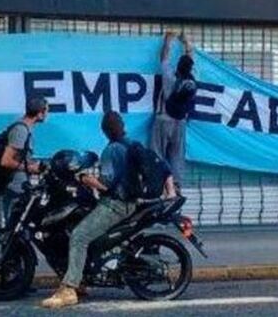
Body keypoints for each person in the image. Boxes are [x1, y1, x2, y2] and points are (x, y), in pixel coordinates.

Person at [42, 111, 176, 309]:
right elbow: (163, 166)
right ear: (123, 126)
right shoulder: (133, 144)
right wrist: (170, 192)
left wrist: (85, 179)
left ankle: (69, 289)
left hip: (115, 205)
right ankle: (81, 278)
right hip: (131, 204)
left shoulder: (111, 150)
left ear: (104, 131)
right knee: (87, 230)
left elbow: (106, 185)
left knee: (79, 236)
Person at [150, 31, 196, 189]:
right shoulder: (192, 81)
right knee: (177, 157)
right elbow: (190, 61)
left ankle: (157, 185)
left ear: (178, 66)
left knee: (157, 153)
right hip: (180, 122)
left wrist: (168, 39)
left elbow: (164, 59)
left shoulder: (169, 77)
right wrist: (187, 45)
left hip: (163, 119)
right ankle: (175, 187)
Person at [0, 97, 48, 224]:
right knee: (14, 227)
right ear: (40, 113)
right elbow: (6, 161)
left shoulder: (25, 129)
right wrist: (29, 168)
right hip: (14, 187)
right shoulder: (20, 130)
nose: (47, 114)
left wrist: (31, 165)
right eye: (46, 111)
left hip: (20, 185)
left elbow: (19, 158)